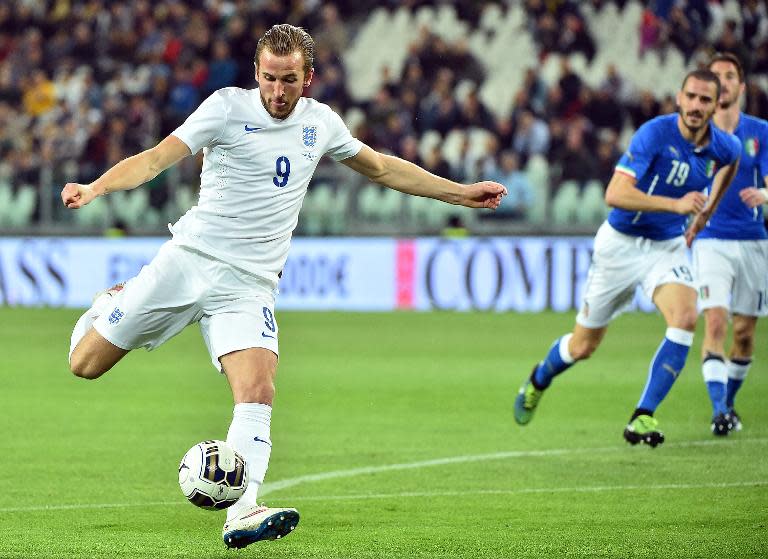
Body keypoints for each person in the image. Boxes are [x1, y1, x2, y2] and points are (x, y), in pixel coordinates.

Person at [61, 24, 506, 550]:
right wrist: (95, 187)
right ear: (256, 73)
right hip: (188, 261)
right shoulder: (226, 107)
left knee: (258, 390)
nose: (277, 91)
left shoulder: (321, 124)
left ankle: (243, 510)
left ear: (308, 78)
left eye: (289, 80)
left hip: (248, 285)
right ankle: (108, 303)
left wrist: (460, 194)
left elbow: (383, 169)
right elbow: (157, 158)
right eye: (269, 78)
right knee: (85, 365)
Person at [512, 69, 741, 447]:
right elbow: (615, 194)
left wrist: (706, 212)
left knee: (685, 317)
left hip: (665, 247)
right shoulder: (655, 133)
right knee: (583, 346)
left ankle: (642, 415)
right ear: (679, 98)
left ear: (717, 105)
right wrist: (678, 204)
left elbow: (730, 165)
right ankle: (539, 378)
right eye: (691, 97)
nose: (697, 106)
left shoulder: (723, 146)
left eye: (705, 100)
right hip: (619, 245)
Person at [693, 53, 768, 435]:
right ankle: (720, 410)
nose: (722, 81)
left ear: (741, 86)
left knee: (744, 333)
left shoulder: (760, 132)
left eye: (729, 75)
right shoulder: (694, 133)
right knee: (717, 321)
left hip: (754, 241)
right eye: (716, 76)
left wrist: (766, 195)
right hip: (711, 241)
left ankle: (731, 401)